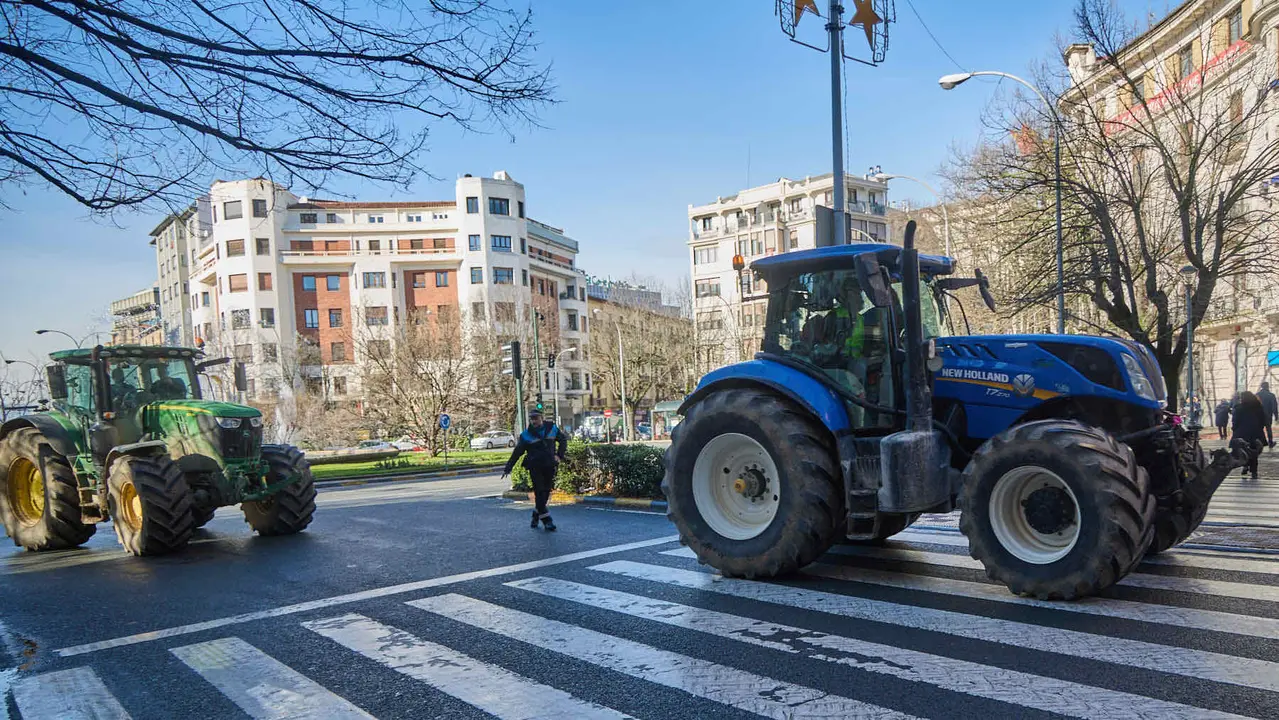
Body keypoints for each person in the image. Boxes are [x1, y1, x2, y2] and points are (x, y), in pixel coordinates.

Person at [502, 411, 567, 531]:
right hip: (534, 466)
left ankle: (536, 515)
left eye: (536, 418)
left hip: (549, 465)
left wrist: (559, 455)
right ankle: (547, 521)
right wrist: (508, 467)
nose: (533, 421)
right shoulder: (526, 435)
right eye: (531, 419)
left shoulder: (552, 428)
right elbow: (517, 452)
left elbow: (563, 440)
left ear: (541, 418)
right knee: (539, 492)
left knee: (546, 492)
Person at [1232, 391, 1267, 480]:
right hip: (1255, 432)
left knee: (1244, 450)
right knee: (1254, 451)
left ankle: (1245, 466)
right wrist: (1259, 428)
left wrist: (1235, 429)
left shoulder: (1239, 408)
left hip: (1242, 432)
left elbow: (1235, 421)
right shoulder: (1258, 407)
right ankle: (1254, 471)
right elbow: (1263, 420)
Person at [1258, 382, 1278, 449]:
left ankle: (1258, 442)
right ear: (1268, 387)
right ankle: (1270, 443)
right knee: (1268, 429)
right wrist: (1276, 416)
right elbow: (1274, 406)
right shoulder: (1271, 395)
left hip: (1258, 416)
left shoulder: (1257, 395)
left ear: (1261, 387)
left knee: (1258, 429)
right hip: (1268, 415)